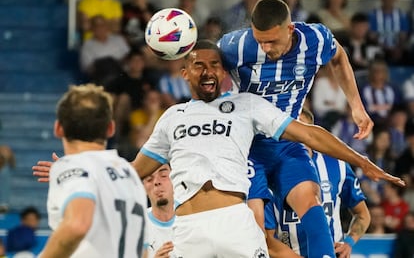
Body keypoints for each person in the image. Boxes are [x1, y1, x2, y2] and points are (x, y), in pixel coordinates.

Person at [34, 40, 403, 257]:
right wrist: (83, 171)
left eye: (216, 65)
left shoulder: (248, 105)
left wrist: (362, 161)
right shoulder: (172, 117)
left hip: (235, 223)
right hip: (188, 228)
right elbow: (134, 171)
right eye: (199, 65)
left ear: (224, 73)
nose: (208, 71)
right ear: (185, 72)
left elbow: (310, 134)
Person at [218, 0, 374, 258]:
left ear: (290, 29)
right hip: (247, 146)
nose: (265, 48)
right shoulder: (237, 46)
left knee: (310, 202)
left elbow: (338, 57)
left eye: (271, 41)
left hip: (286, 141)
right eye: (260, 41)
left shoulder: (315, 39)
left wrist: (356, 106)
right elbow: (206, 70)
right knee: (256, 231)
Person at [38, 84, 148, 258]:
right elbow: (142, 249)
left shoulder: (73, 166)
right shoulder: (129, 173)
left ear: (58, 128)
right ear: (111, 128)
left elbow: (78, 224)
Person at [265, 108, 371, 258]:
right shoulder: (268, 171)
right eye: (291, 127)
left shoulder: (338, 166)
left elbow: (362, 214)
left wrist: (349, 243)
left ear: (312, 132)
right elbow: (265, 237)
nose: (296, 132)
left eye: (301, 126)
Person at [79, 15, 130, 86]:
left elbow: (129, 57)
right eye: (96, 25)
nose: (100, 28)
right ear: (92, 28)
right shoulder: (87, 45)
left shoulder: (118, 39)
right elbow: (88, 67)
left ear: (107, 26)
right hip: (102, 78)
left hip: (122, 75)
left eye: (102, 25)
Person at [142, 164, 175, 258]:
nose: (156, 182)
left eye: (163, 175)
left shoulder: (190, 219)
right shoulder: (136, 225)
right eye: (149, 179)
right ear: (143, 187)